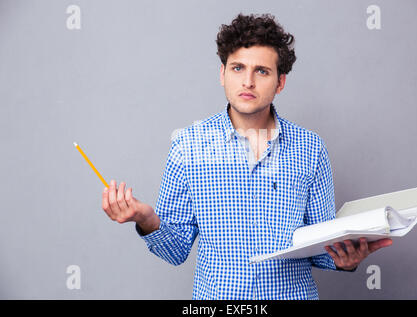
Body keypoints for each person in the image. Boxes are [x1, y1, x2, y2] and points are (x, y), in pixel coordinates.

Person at [101, 13, 392, 299]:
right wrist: (147, 219)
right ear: (222, 75)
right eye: (238, 68)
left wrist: (345, 258)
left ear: (280, 83)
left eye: (262, 71)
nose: (248, 82)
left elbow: (320, 246)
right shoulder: (188, 146)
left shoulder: (311, 148)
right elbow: (174, 251)